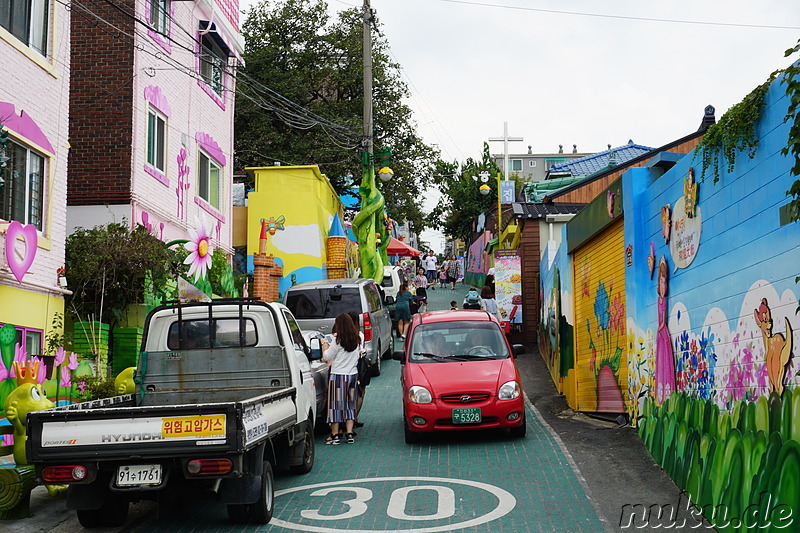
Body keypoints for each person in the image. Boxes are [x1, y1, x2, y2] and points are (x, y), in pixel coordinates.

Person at [321, 313, 362, 445]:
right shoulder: (357, 338)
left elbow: (327, 357)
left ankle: (335, 435)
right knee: (350, 404)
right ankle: (349, 433)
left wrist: (324, 346)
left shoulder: (337, 340)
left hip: (338, 375)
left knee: (335, 406)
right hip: (352, 375)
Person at [348, 311, 367, 429]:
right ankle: (354, 418)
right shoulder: (359, 335)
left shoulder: (342, 335)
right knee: (360, 393)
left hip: (345, 369)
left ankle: (348, 420)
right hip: (359, 367)